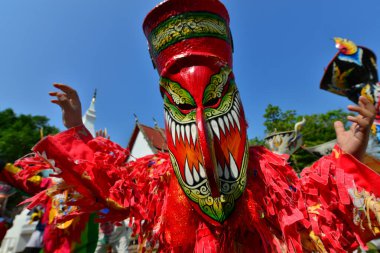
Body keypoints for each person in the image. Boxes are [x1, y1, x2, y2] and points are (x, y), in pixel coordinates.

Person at [19, 0, 380, 252]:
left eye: (214, 100)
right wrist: (76, 128)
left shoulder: (268, 175)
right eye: (181, 104)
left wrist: (347, 159)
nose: (202, 124)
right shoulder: (155, 179)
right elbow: (107, 182)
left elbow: (317, 224)